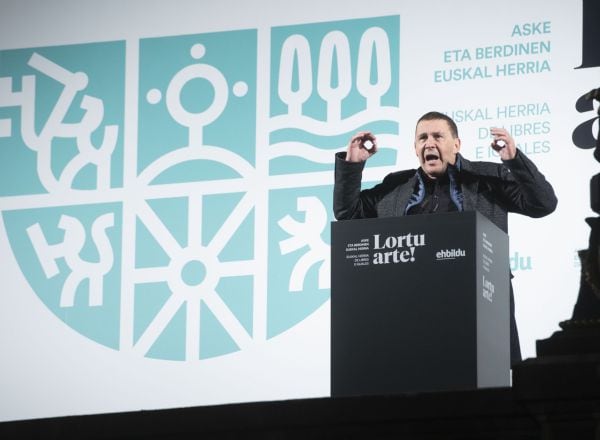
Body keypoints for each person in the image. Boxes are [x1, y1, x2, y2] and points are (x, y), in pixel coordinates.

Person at [333, 111, 558, 366]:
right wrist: (353, 164)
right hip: (412, 312)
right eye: (422, 138)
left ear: (457, 144)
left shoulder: (487, 179)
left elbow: (543, 203)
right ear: (415, 148)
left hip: (480, 308)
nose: (429, 143)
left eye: (438, 136)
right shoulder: (395, 186)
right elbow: (348, 214)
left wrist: (514, 160)